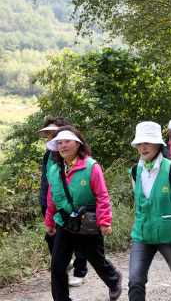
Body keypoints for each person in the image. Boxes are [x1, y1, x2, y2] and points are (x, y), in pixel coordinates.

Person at [44, 126, 122, 301]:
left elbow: (102, 196)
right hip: (65, 222)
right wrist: (49, 221)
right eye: (60, 142)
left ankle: (114, 278)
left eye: (67, 141)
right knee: (57, 265)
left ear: (78, 144)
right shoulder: (55, 170)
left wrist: (105, 222)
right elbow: (51, 197)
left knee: (97, 260)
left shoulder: (91, 167)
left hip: (89, 222)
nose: (63, 145)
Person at [128, 122, 171, 301]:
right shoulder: (136, 171)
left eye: (147, 143)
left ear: (159, 144)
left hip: (168, 235)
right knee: (135, 279)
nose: (142, 147)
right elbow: (140, 203)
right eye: (139, 143)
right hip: (142, 234)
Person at [36, 117, 89, 287]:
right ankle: (65, 263)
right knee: (51, 237)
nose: (52, 137)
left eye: (54, 133)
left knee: (79, 237)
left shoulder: (78, 156)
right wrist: (44, 200)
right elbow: (46, 180)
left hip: (75, 206)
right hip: (55, 204)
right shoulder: (49, 155)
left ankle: (80, 271)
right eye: (49, 135)